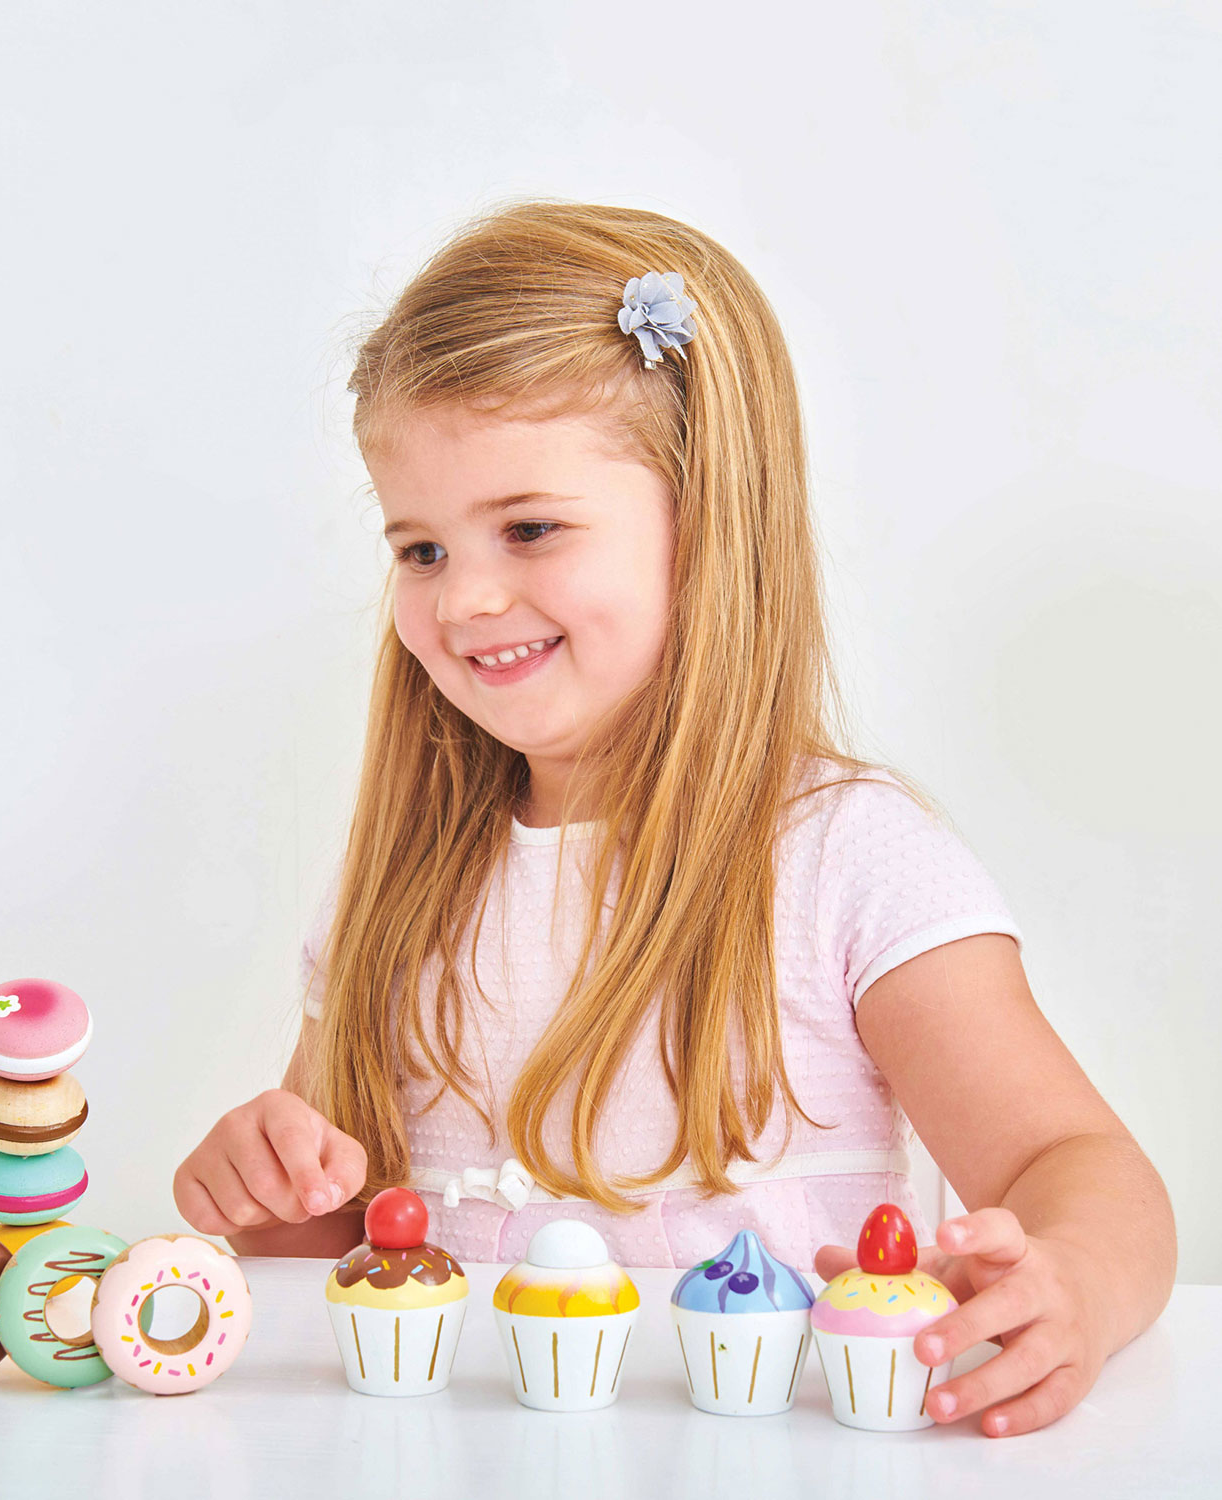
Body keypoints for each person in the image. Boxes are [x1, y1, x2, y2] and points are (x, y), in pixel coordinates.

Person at [174, 198, 1175, 1437]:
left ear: (706, 525)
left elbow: (1074, 1163)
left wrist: (1073, 1281)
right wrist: (266, 1188)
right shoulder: (399, 885)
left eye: (529, 528)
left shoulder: (847, 860)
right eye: (420, 549)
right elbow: (336, 1237)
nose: (465, 597)